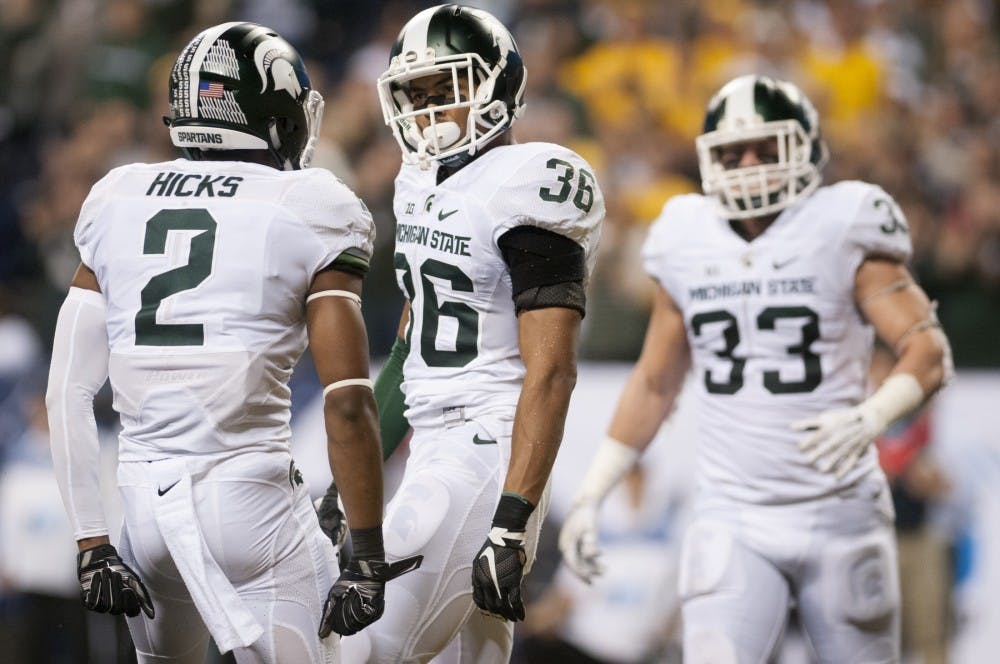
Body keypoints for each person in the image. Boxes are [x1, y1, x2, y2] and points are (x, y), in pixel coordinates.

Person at [44, 21, 418, 664]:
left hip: (145, 514)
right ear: (274, 112)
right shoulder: (310, 202)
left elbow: (66, 392)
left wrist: (91, 542)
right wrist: (365, 550)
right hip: (252, 504)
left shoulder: (117, 195)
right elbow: (348, 402)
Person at [558, 74, 953, 663]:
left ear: (807, 149)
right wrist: (593, 491)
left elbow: (928, 353)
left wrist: (872, 417)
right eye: (732, 152)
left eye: (767, 148)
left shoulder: (844, 222)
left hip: (839, 506)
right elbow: (655, 381)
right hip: (733, 511)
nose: (749, 164)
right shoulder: (685, 235)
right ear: (707, 160)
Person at [333, 5, 604, 662]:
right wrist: (353, 484)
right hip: (433, 445)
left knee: (360, 648)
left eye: (444, 91)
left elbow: (552, 370)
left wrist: (514, 520)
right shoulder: (416, 180)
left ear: (495, 87)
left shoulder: (532, 180)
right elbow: (410, 345)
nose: (427, 112)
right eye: (415, 95)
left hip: (487, 448)